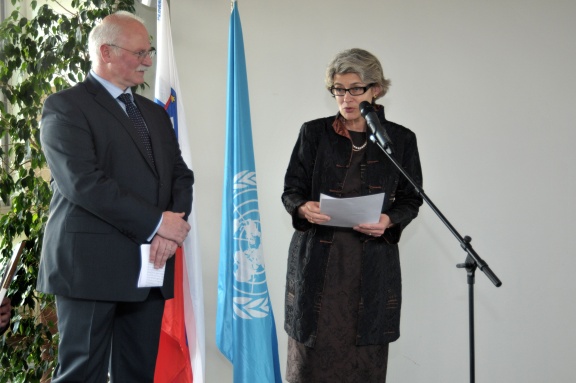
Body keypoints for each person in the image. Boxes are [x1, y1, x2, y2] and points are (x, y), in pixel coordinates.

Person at [37, 11, 194, 382]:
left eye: (149, 52)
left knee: (137, 373)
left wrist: (172, 229)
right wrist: (158, 223)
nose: (148, 61)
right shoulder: (65, 107)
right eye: (139, 53)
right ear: (106, 52)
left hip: (149, 265)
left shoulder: (153, 114)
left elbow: (180, 176)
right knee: (82, 374)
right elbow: (83, 183)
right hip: (90, 267)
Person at [281, 48, 424, 382]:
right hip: (318, 265)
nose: (345, 97)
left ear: (376, 89)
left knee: (363, 363)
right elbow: (291, 190)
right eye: (339, 89)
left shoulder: (400, 140)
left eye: (355, 88)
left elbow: (411, 198)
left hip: (371, 268)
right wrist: (303, 207)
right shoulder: (313, 133)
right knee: (311, 362)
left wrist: (389, 219)